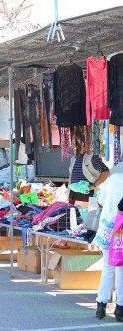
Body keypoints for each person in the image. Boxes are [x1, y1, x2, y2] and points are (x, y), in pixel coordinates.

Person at [93, 172, 123, 322]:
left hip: (106, 227)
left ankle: (101, 304)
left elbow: (101, 201)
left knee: (108, 267)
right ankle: (120, 308)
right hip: (120, 229)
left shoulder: (111, 179)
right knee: (121, 269)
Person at [68, 130, 109, 204]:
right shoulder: (73, 158)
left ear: (82, 144)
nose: (72, 146)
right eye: (72, 144)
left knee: (86, 215)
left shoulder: (92, 158)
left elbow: (106, 172)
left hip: (87, 197)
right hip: (73, 196)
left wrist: (93, 186)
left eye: (74, 144)